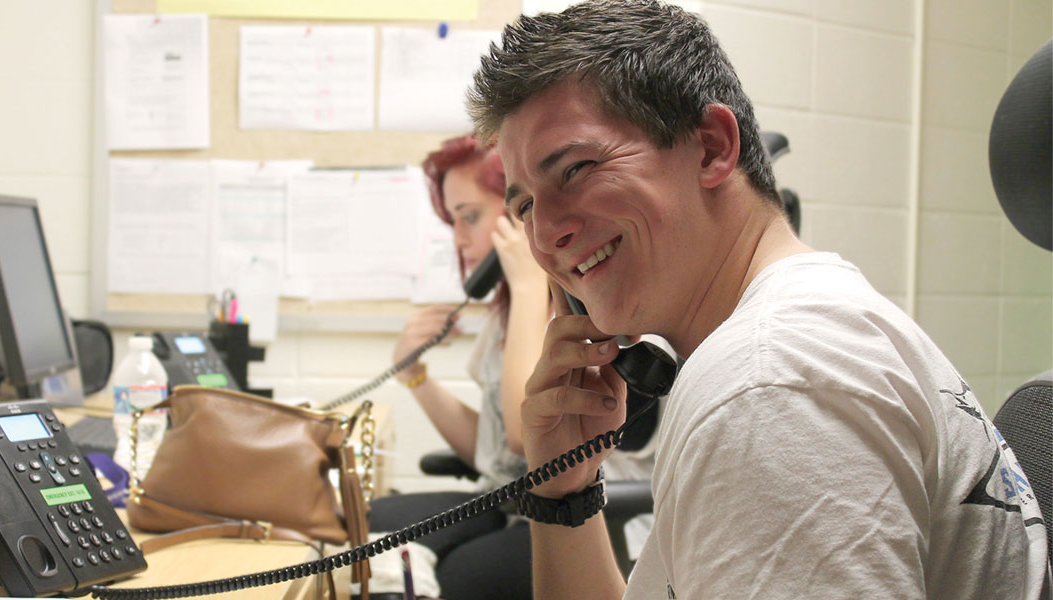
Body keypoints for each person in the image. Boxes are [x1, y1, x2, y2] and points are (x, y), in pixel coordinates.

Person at [465, 1, 1049, 599]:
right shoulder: (792, 342)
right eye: (526, 205)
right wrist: (563, 494)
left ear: (712, 147)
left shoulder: (767, 387)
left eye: (576, 169)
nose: (545, 235)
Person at [362, 134, 551, 600]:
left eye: (470, 216)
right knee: (367, 527)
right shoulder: (506, 311)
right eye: (452, 221)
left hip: (586, 519)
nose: (458, 238)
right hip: (510, 503)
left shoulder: (575, 306)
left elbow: (525, 435)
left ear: (523, 210)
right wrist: (414, 376)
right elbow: (495, 455)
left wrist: (530, 286)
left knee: (448, 577)